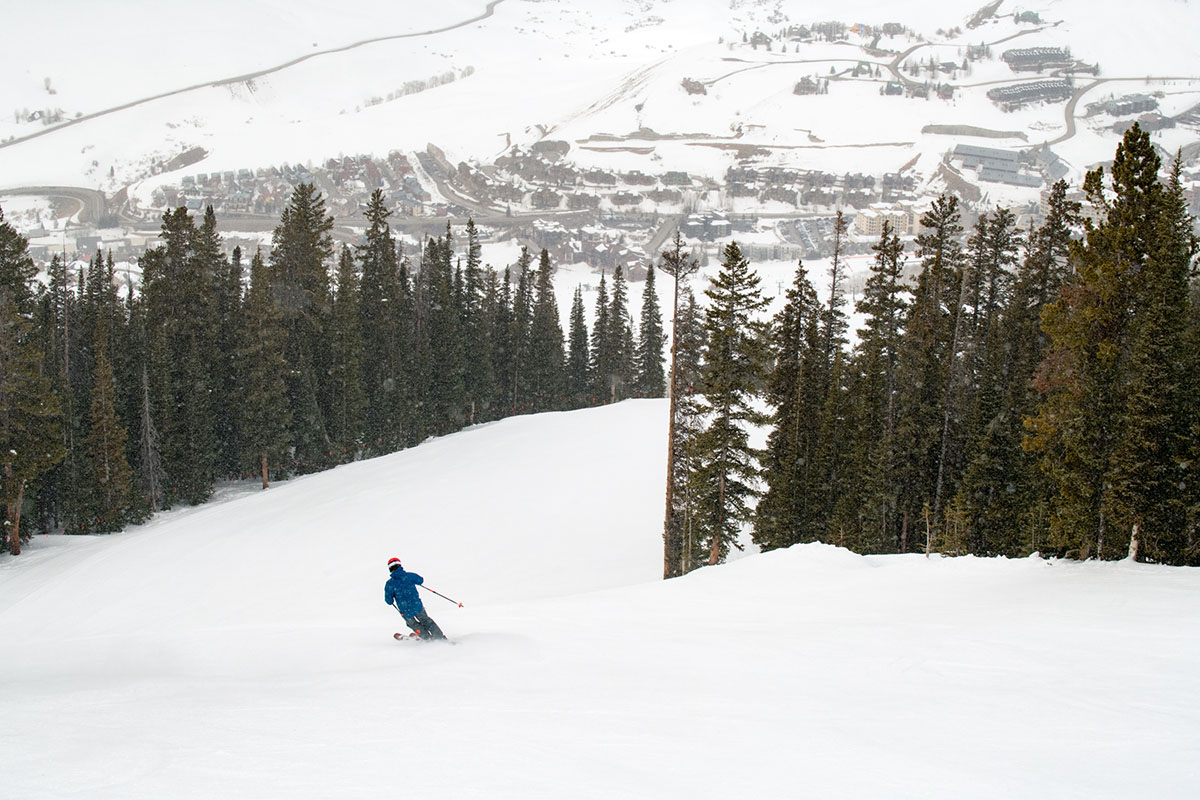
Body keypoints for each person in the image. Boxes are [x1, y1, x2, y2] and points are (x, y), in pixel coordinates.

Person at [384, 557, 446, 640]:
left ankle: (426, 638)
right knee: (426, 620)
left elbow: (389, 601)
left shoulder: (390, 584)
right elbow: (420, 580)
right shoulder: (409, 576)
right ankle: (439, 637)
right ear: (400, 566)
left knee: (413, 624)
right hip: (417, 605)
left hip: (405, 610)